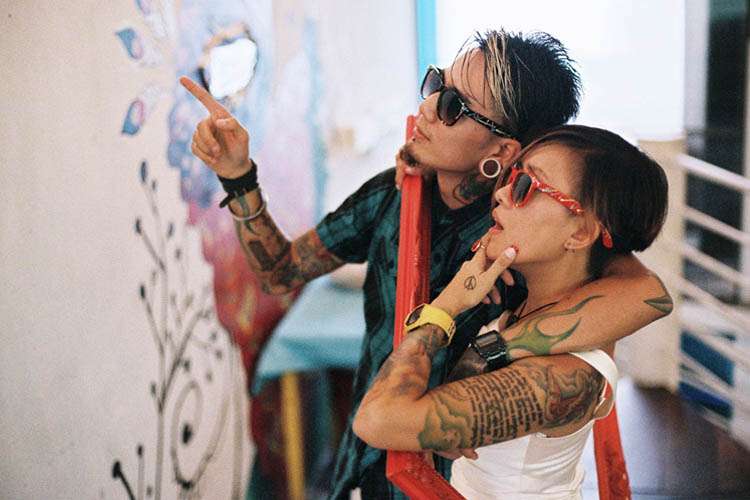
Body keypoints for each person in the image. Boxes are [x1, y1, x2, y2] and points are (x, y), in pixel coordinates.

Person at [181, 29, 672, 499]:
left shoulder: (521, 240)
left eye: (454, 106)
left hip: (444, 474)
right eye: (437, 84)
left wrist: (483, 353)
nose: (428, 107)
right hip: (367, 458)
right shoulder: (394, 194)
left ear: (502, 150)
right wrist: (239, 177)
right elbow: (281, 272)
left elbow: (644, 295)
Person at [354, 124, 669, 499]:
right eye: (512, 174)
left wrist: (446, 307)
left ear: (580, 234)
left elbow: (376, 420)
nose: (502, 192)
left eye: (526, 186)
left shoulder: (562, 379)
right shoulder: (533, 302)